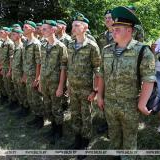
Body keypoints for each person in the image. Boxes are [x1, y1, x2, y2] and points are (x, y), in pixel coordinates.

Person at [98, 6, 156, 160]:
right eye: (112, 29)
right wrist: (99, 96)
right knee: (114, 137)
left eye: (117, 29)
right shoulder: (107, 50)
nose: (113, 32)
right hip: (110, 104)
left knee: (129, 141)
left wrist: (141, 104)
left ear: (129, 31)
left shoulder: (142, 51)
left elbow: (149, 79)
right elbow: (101, 74)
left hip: (130, 106)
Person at [66, 15, 100, 160]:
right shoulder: (71, 44)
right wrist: (68, 85)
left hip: (86, 88)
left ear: (84, 28)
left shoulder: (92, 46)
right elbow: (69, 67)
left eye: (76, 25)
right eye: (72, 25)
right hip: (73, 87)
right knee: (74, 114)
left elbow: (98, 70)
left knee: (86, 116)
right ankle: (77, 140)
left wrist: (95, 90)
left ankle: (85, 144)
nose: (73, 28)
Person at [39, 20, 68, 144]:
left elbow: (64, 68)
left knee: (57, 108)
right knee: (48, 106)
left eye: (45, 29)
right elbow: (41, 65)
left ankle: (59, 131)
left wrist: (61, 86)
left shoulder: (61, 47)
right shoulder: (43, 45)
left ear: (52, 30)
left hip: (55, 83)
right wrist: (40, 81)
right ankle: (53, 127)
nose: (42, 31)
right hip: (45, 82)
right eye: (42, 29)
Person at [20, 20, 44, 128]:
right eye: (23, 27)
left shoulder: (36, 44)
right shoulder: (25, 43)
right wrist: (24, 75)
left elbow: (39, 63)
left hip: (34, 76)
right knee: (30, 98)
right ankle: (35, 116)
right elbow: (25, 61)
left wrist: (37, 79)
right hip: (28, 75)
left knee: (37, 98)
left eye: (25, 27)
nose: (23, 29)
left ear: (32, 29)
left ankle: (40, 119)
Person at [96, 9, 114, 134]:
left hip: (117, 72)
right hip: (104, 71)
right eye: (106, 17)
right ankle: (107, 123)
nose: (107, 20)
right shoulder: (102, 36)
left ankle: (114, 127)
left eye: (110, 17)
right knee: (104, 98)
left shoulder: (121, 34)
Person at [0, 27, 18, 108]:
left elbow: (11, 58)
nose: (0, 33)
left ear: (7, 33)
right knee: (7, 85)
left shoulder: (10, 43)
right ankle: (11, 100)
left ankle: (15, 102)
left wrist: (10, 70)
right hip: (4, 68)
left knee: (11, 85)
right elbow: (2, 57)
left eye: (1, 32)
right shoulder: (3, 43)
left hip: (9, 68)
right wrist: (1, 68)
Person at [10, 28, 30, 113]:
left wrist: (24, 76)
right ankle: (21, 106)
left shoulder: (22, 47)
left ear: (19, 36)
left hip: (21, 74)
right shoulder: (15, 47)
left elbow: (25, 63)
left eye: (14, 34)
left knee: (23, 92)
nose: (12, 36)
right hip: (15, 74)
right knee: (18, 91)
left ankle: (26, 109)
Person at [55, 20, 72, 116]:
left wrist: (68, 70)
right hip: (56, 67)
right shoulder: (55, 39)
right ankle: (59, 104)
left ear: (63, 27)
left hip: (65, 67)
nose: (55, 28)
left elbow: (69, 56)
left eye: (57, 26)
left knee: (65, 88)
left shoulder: (68, 39)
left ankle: (66, 106)